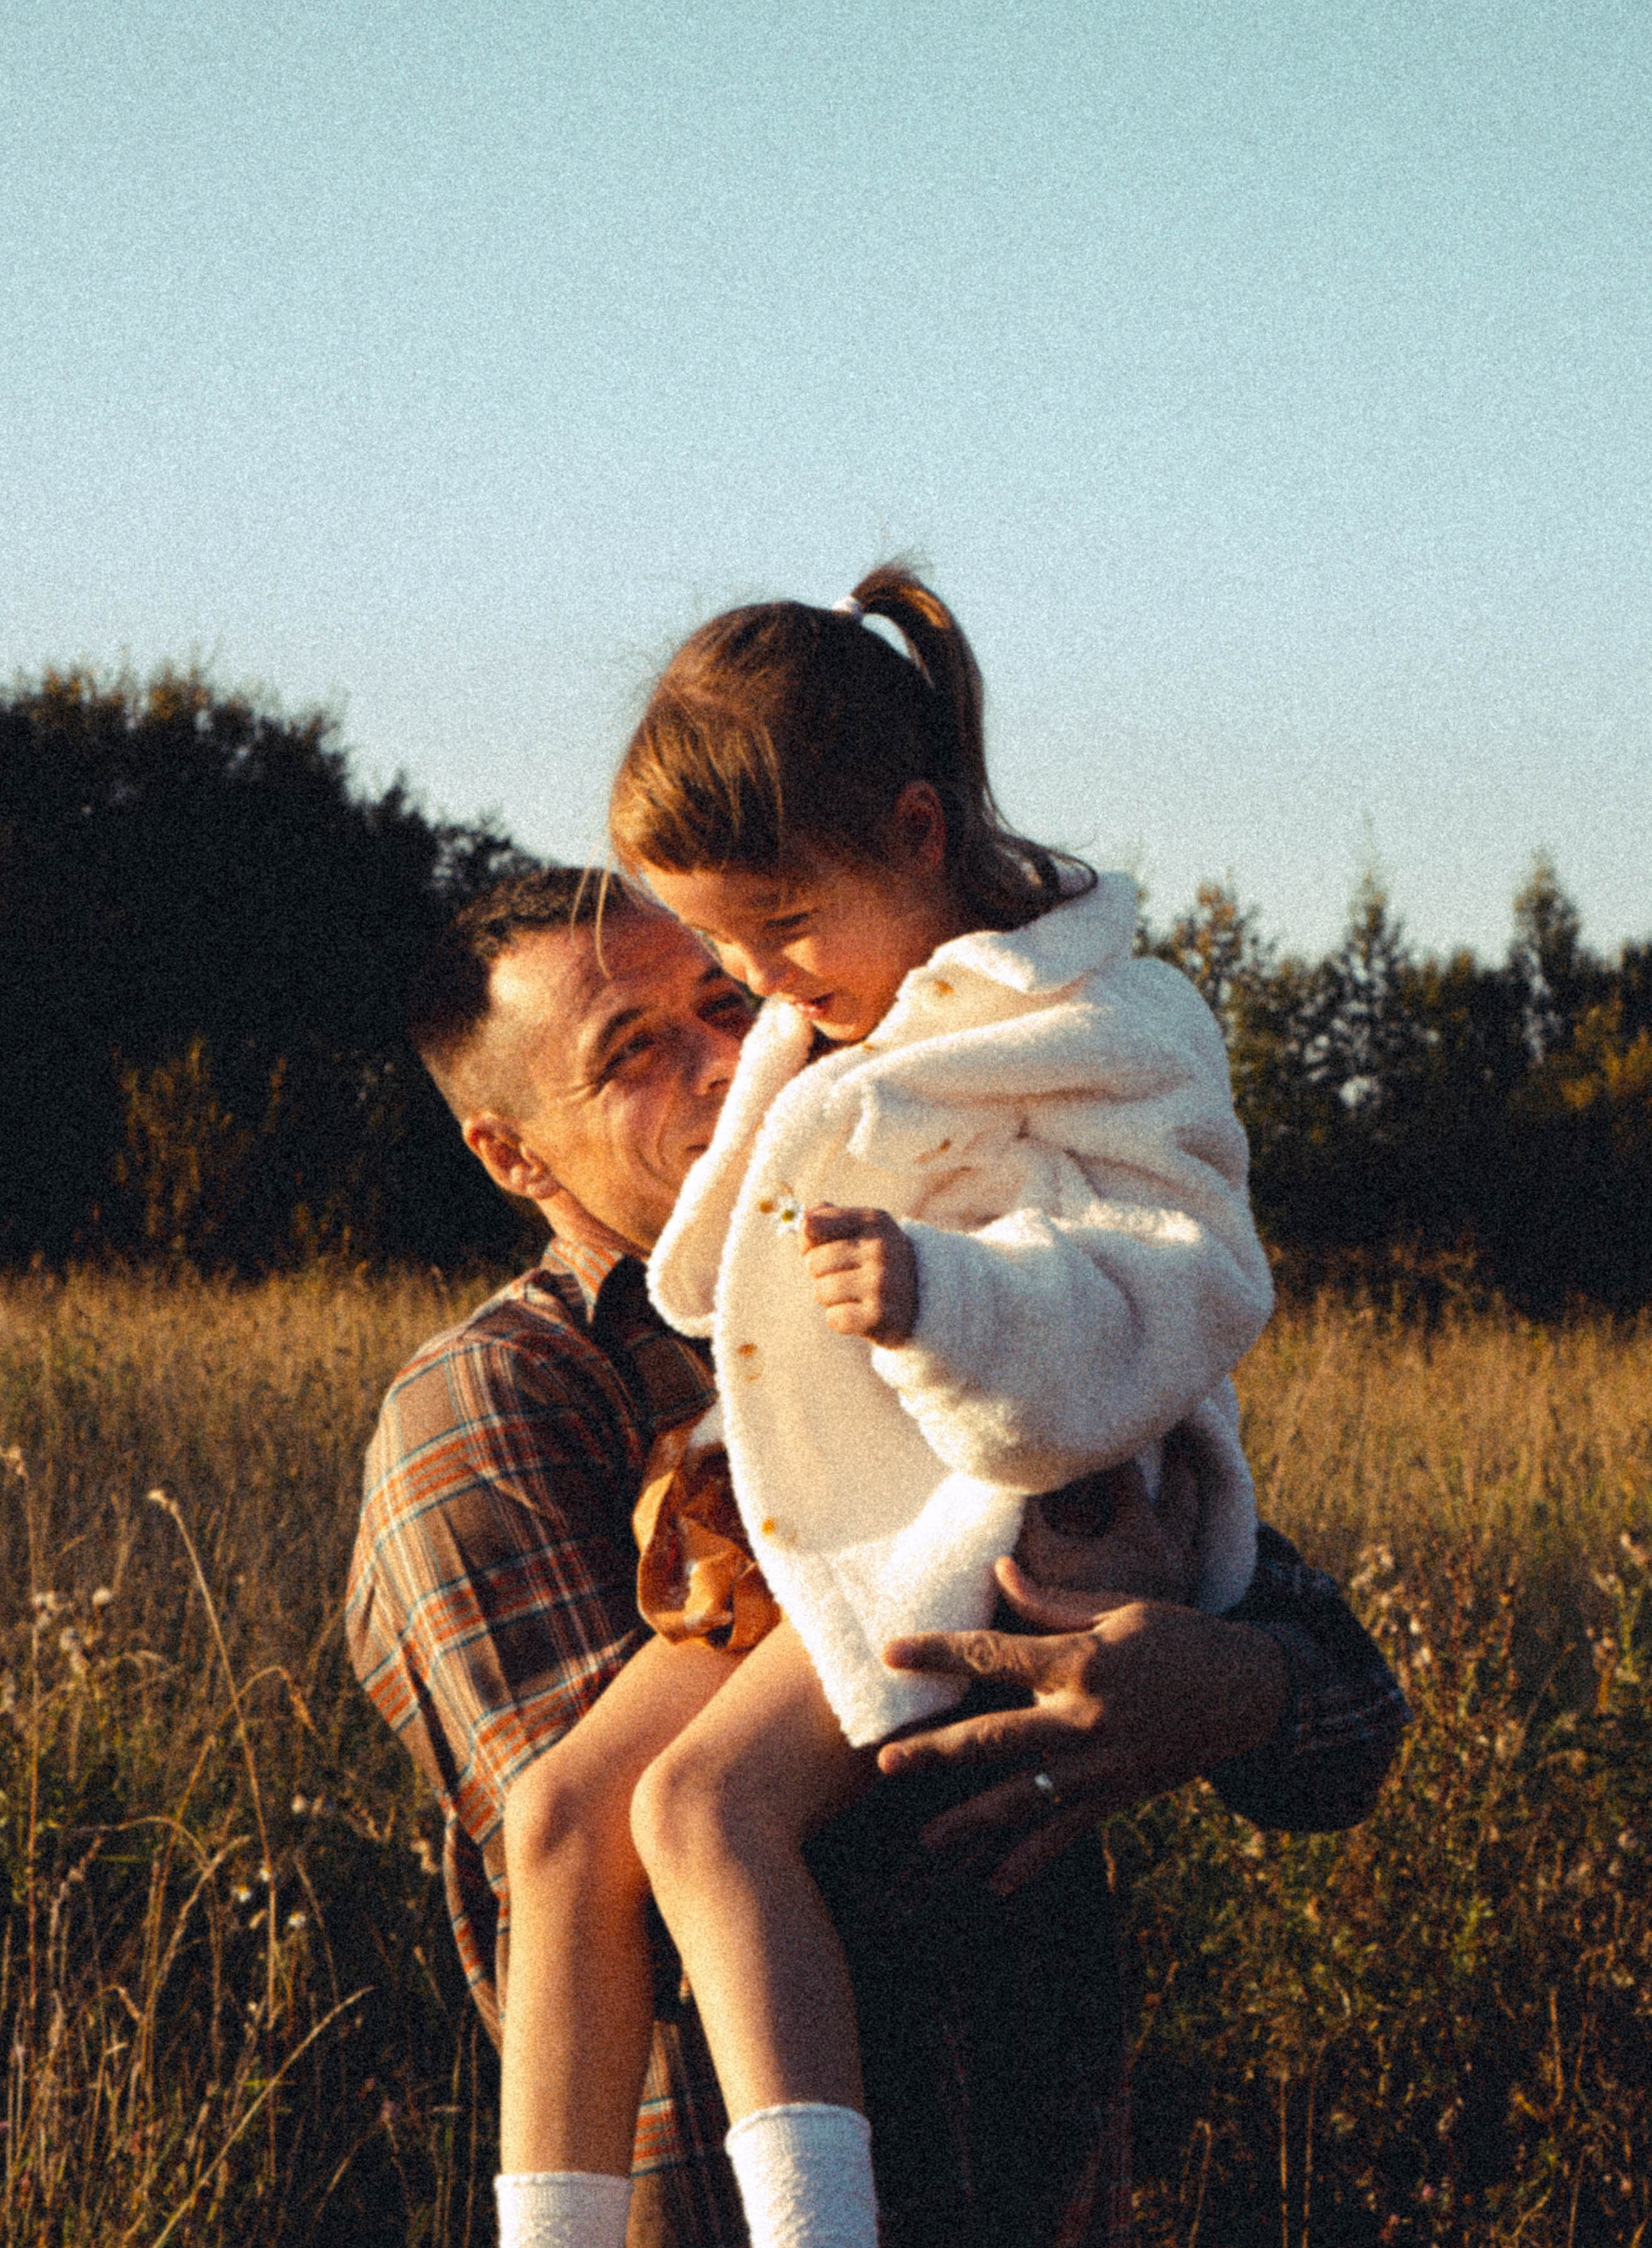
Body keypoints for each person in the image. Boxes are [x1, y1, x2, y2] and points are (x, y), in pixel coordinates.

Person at [347, 865, 1407, 2248]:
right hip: (726, 2208)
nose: (727, 1059)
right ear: (513, 1155)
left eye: (728, 1001)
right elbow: (640, 1857)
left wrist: (1226, 1689)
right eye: (634, 1053)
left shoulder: (919, 1250)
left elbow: (1351, 1716)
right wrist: (1034, 1624)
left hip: (1028, 2191)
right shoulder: (497, 1405)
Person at [481, 562, 1279, 2248]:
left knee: (704, 1815)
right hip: (840, 1497)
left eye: (774, 930)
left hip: (1014, 1510)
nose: (757, 980)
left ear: (919, 830)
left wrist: (947, 1299)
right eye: (714, 944)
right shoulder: (847, 1001)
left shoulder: (1104, 1021)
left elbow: (1185, 1280)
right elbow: (723, 1267)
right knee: (562, 1813)